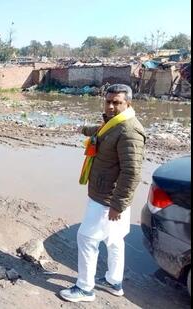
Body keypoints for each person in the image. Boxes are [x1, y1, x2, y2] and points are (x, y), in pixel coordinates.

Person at [59, 84, 146, 303]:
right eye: (108, 101)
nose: (111, 106)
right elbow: (101, 133)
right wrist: (82, 129)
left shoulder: (129, 130)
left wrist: (118, 204)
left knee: (86, 238)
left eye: (117, 102)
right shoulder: (114, 123)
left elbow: (132, 172)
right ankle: (114, 281)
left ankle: (85, 288)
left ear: (128, 104)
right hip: (111, 196)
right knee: (114, 240)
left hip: (108, 199)